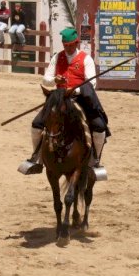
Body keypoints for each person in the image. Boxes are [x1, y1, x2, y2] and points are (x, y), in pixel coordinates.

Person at [20, 27, 110, 176]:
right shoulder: (57, 57)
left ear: (76, 43)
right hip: (59, 98)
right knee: (36, 124)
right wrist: (54, 79)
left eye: (70, 45)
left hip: (80, 98)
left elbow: (91, 83)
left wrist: (75, 90)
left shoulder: (86, 59)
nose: (67, 48)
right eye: (65, 45)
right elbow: (46, 79)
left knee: (99, 127)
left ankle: (95, 160)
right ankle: (37, 158)